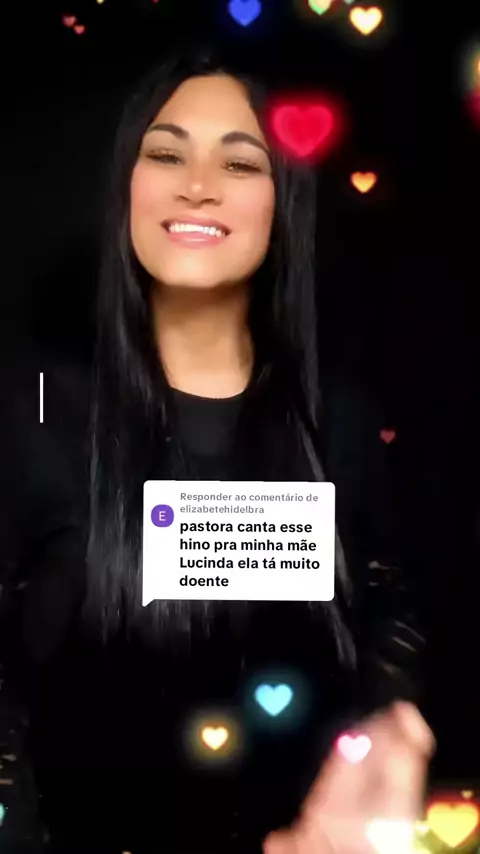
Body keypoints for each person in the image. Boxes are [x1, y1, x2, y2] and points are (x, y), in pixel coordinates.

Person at [1, 46, 431, 854]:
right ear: (127, 185)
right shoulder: (36, 411)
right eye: (166, 155)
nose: (196, 185)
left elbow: (390, 621)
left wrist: (388, 729)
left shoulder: (340, 426)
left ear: (283, 200)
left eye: (240, 163)